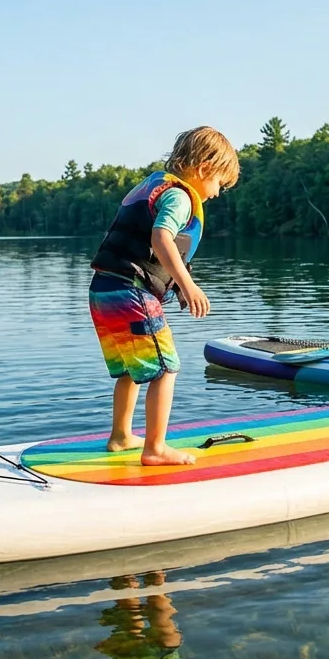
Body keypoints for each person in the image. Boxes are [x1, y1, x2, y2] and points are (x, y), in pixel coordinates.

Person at [88, 126, 240, 466]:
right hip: (131, 293)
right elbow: (160, 239)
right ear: (203, 168)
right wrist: (189, 286)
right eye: (219, 183)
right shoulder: (180, 196)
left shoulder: (151, 186)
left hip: (103, 290)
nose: (216, 193)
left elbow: (148, 251)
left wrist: (175, 283)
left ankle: (120, 436)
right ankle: (155, 449)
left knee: (131, 367)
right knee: (164, 369)